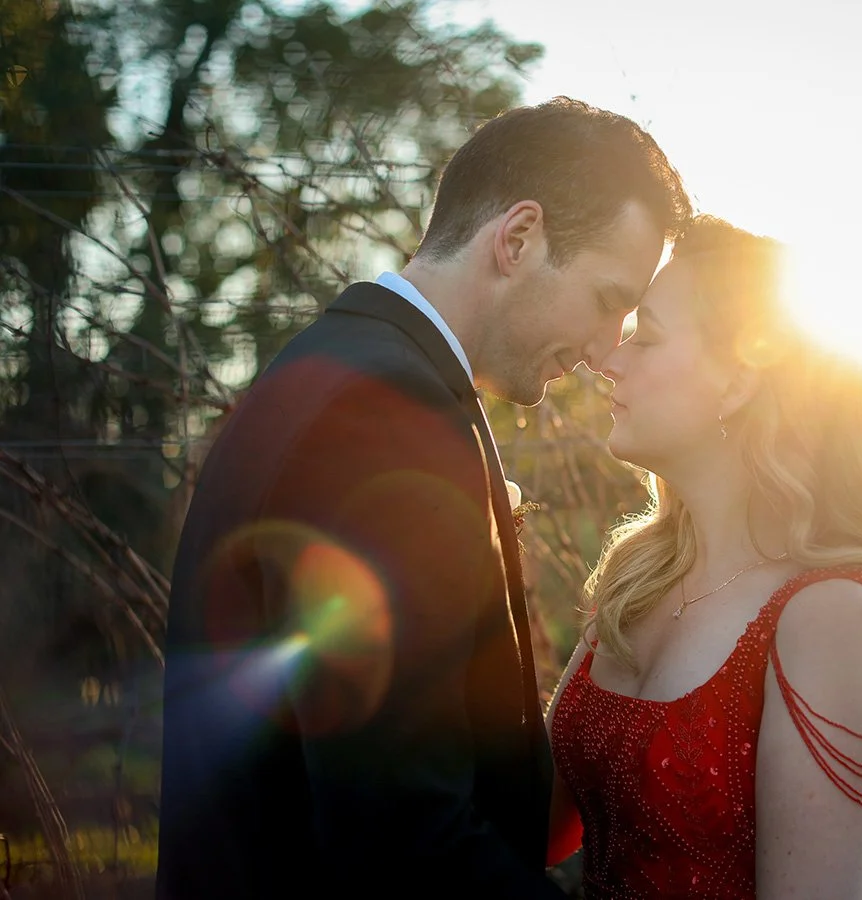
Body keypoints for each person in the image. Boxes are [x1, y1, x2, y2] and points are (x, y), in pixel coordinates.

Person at [155, 98, 691, 900]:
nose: (603, 348)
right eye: (609, 299)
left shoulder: (337, 366)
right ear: (517, 239)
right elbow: (405, 839)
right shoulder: (385, 417)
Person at [547, 216, 862, 898]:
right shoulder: (634, 579)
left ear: (736, 383)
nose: (611, 361)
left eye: (648, 337)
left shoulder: (829, 615)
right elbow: (540, 833)